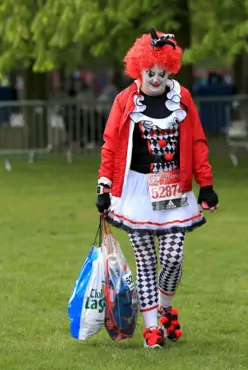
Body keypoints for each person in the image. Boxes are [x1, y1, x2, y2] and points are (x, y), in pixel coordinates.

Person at [95, 29, 219, 349]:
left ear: (169, 70)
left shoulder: (183, 98)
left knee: (173, 257)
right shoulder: (125, 100)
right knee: (146, 261)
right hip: (136, 190)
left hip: (173, 188)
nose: (155, 79)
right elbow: (111, 146)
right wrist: (104, 186)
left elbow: (197, 141)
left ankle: (165, 306)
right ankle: (152, 329)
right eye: (150, 72)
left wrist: (206, 185)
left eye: (161, 73)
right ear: (140, 69)